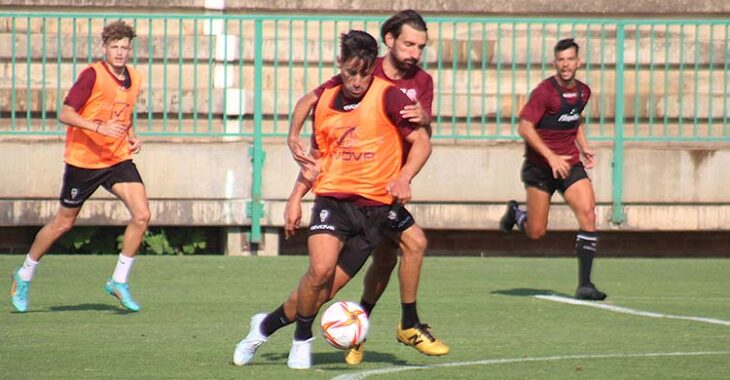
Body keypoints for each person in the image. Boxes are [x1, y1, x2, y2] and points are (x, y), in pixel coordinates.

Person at [233, 30, 432, 370]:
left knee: (324, 293)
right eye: (350, 72)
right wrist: (295, 197)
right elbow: (316, 159)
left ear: (374, 68)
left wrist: (403, 177)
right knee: (319, 270)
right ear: (339, 64)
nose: (357, 81)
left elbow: (423, 142)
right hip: (333, 201)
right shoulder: (324, 101)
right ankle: (302, 339)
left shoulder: (390, 97)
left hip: (375, 211)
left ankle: (262, 327)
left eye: (365, 73)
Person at [285, 10, 447, 365]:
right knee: (342, 274)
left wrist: (411, 159)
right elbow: (310, 100)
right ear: (389, 41)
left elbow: (423, 133)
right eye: (409, 44)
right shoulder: (362, 71)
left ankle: (384, 325)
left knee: (393, 255)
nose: (415, 53)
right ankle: (280, 322)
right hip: (360, 189)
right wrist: (292, 136)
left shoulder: (422, 81)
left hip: (388, 184)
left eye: (421, 46)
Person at [10, 20, 150, 313]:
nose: (120, 52)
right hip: (83, 161)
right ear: (105, 48)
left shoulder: (135, 78)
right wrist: (98, 128)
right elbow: (65, 113)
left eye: (125, 47)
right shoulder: (92, 75)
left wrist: (132, 136)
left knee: (142, 215)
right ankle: (24, 274)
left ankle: (118, 281)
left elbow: (123, 116)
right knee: (63, 223)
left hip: (116, 159)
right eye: (115, 47)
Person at [500, 38, 607, 301]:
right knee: (536, 232)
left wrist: (584, 147)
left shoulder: (583, 92)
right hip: (541, 169)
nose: (565, 65)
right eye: (561, 60)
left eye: (570, 59)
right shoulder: (545, 92)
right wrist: (551, 157)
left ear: (578, 62)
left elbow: (576, 120)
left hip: (569, 164)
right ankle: (517, 213)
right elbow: (524, 127)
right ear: (555, 63)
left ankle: (585, 285)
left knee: (589, 215)